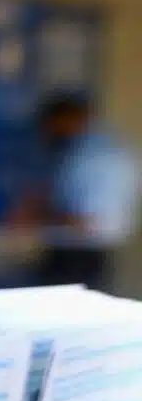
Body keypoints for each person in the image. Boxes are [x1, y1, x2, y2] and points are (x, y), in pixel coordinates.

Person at [19, 94, 140, 290]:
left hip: (80, 256)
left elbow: (86, 220)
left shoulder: (96, 155)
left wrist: (33, 218)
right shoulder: (94, 148)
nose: (48, 132)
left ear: (68, 119)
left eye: (51, 124)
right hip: (81, 252)